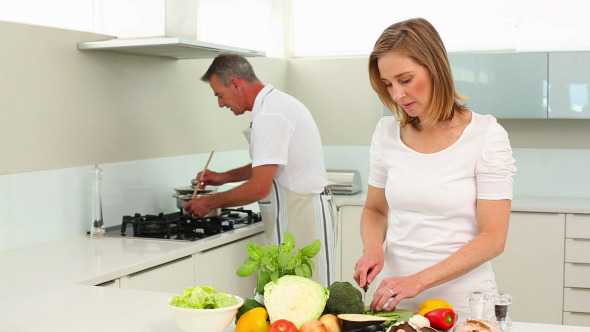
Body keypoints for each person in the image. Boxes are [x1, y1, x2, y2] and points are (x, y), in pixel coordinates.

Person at [353, 18, 517, 318]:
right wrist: (373, 248)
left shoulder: (486, 136)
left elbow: (493, 237)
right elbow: (375, 210)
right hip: (394, 302)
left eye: (405, 80)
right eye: (388, 84)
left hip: (463, 305)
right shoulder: (386, 134)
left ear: (435, 69)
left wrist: (418, 281)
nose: (397, 95)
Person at [184, 54, 336, 287]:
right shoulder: (275, 105)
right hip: (297, 213)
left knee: (309, 302)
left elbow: (258, 187)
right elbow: (269, 163)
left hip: (302, 217)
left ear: (235, 83)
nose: (221, 104)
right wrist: (223, 177)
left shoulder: (270, 115)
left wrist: (210, 202)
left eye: (220, 95)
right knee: (296, 301)